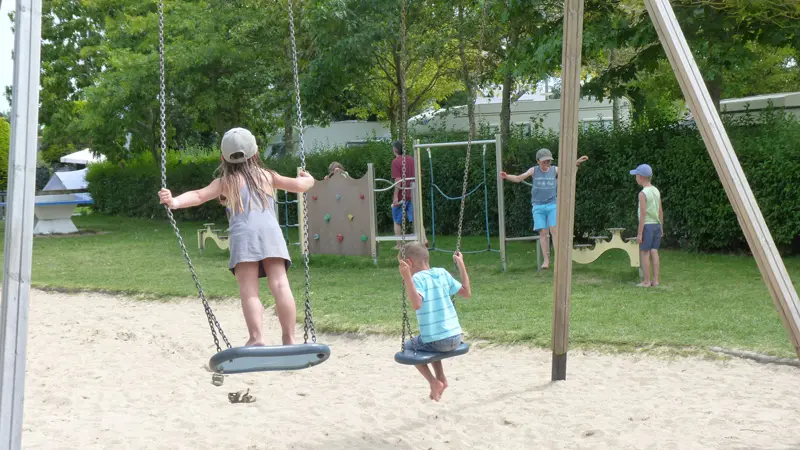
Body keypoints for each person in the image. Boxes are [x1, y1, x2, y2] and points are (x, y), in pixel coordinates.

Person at [157, 127, 315, 346]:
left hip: (244, 235)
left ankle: (256, 338)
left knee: (249, 290)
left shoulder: (225, 182)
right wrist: (309, 180)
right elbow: (300, 186)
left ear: (223, 158)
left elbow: (198, 195)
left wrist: (174, 201)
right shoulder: (268, 175)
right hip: (271, 233)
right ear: (256, 153)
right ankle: (289, 338)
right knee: (280, 284)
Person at [398, 242, 471, 402]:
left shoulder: (417, 279)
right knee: (429, 339)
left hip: (438, 342)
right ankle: (441, 377)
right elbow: (466, 292)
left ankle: (433, 381)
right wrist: (461, 265)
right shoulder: (442, 273)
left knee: (409, 347)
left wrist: (407, 278)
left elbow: (416, 304)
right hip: (456, 337)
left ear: (408, 263)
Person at [500, 148, 588, 269]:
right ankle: (546, 260)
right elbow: (519, 178)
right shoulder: (534, 170)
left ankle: (559, 259)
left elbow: (568, 173)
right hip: (538, 206)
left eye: (548, 161)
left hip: (552, 204)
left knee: (554, 231)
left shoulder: (555, 170)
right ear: (538, 161)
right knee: (543, 233)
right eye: (544, 161)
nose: (546, 163)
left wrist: (576, 162)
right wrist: (507, 176)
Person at [630, 163, 663, 287]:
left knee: (644, 253)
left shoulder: (642, 193)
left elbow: (643, 213)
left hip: (647, 226)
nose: (635, 178)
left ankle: (646, 281)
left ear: (640, 177)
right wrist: (661, 226)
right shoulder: (656, 190)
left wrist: (639, 233)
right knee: (654, 251)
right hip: (657, 225)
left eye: (636, 175)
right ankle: (656, 280)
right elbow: (660, 210)